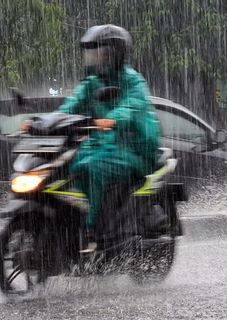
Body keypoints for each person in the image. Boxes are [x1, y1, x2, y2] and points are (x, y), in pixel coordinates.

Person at [56, 25, 161, 252]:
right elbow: (71, 105)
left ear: (115, 53)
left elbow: (131, 106)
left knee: (94, 166)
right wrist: (45, 123)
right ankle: (90, 213)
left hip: (134, 148)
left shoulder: (132, 81)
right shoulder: (92, 82)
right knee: (73, 163)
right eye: (92, 53)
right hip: (105, 145)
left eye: (100, 52)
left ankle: (93, 228)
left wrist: (112, 119)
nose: (94, 58)